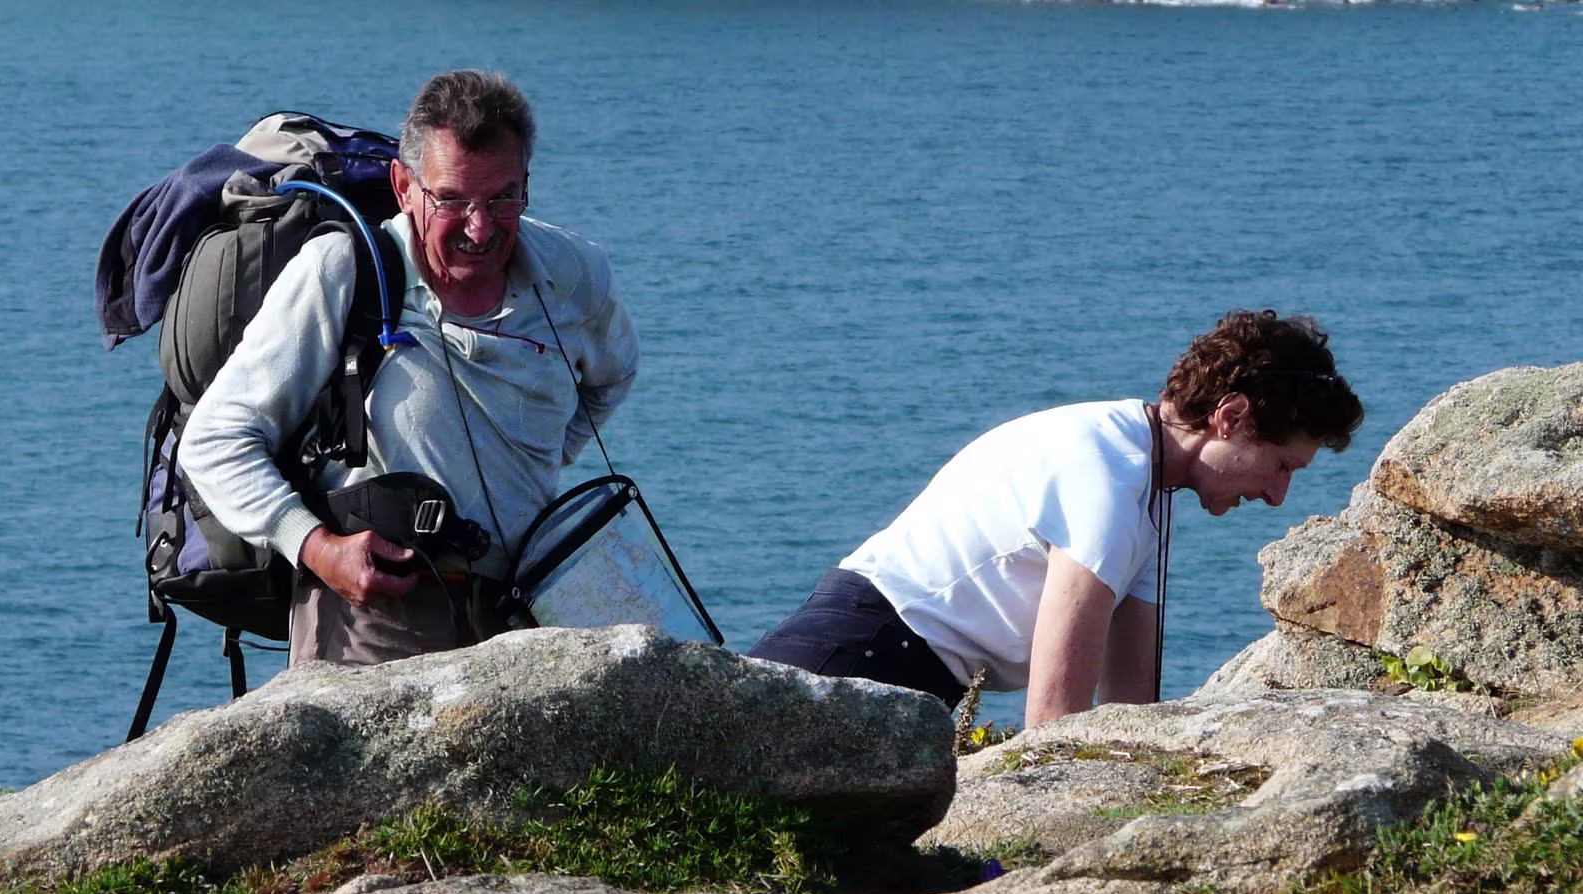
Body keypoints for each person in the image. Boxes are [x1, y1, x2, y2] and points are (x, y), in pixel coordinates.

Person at [179, 69, 638, 664]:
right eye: (452, 199)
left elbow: (611, 378)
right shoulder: (344, 272)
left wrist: (539, 458)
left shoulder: (575, 274)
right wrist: (316, 547)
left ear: (526, 182)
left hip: (525, 610)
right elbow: (214, 440)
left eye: (503, 198)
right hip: (372, 615)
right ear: (403, 186)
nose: (480, 227)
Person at [749, 310, 1363, 726]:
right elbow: (1054, 719)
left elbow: (1129, 707)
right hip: (856, 657)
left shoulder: (1144, 482)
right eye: (1282, 465)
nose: (1277, 495)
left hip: (888, 667)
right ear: (1230, 418)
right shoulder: (1106, 477)